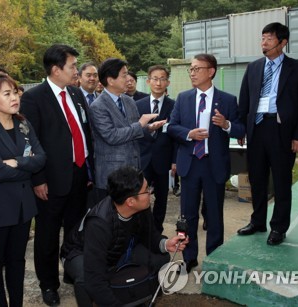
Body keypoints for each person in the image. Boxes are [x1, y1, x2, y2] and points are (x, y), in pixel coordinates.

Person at [20, 44, 93, 306]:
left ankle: (73, 273)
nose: (76, 70)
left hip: (79, 174)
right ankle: (48, 284)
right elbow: (31, 141)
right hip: (50, 180)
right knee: (48, 236)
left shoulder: (76, 94)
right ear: (55, 69)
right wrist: (38, 179)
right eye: (72, 66)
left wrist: (87, 169)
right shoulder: (34, 97)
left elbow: (84, 132)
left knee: (75, 232)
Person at [60, 166, 188, 306]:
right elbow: (95, 281)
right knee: (86, 280)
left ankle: (137, 295)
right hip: (79, 252)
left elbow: (151, 236)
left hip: (118, 250)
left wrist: (166, 244)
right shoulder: (99, 224)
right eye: (146, 190)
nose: (150, 192)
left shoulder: (141, 207)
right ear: (130, 202)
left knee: (160, 258)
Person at [0, 73, 46, 306]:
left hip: (23, 206)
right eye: (7, 93)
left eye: (15, 92)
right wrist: (25, 164)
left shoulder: (23, 123)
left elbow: (42, 158)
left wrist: (16, 162)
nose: (14, 97)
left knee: (17, 260)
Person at [167, 53, 245, 272]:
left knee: (214, 214)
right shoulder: (183, 98)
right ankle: (189, 257)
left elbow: (240, 129)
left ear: (210, 71)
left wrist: (226, 124)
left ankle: (214, 257)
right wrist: (189, 134)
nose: (192, 73)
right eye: (190, 69)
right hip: (190, 164)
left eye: (196, 69)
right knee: (188, 214)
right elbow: (172, 127)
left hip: (214, 165)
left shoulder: (228, 100)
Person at [237, 22, 298, 246]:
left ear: (283, 42)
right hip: (257, 129)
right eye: (262, 38)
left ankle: (278, 227)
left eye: (269, 38)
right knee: (257, 178)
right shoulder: (254, 67)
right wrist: (241, 129)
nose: (264, 42)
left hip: (281, 130)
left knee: (281, 180)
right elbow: (245, 101)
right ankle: (258, 221)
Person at [89, 58, 165, 203]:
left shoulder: (128, 101)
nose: (128, 79)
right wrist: (140, 124)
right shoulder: (98, 106)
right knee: (112, 218)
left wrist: (148, 128)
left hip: (133, 170)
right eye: (124, 75)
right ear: (111, 80)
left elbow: (133, 130)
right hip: (112, 174)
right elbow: (111, 136)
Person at [136, 65, 177, 233]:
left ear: (167, 82)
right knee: (139, 195)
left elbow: (176, 136)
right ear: (148, 81)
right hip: (142, 158)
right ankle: (142, 230)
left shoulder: (174, 105)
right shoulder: (137, 105)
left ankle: (157, 230)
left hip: (163, 158)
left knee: (162, 198)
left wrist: (175, 160)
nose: (158, 83)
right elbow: (134, 130)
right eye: (155, 78)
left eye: (162, 79)